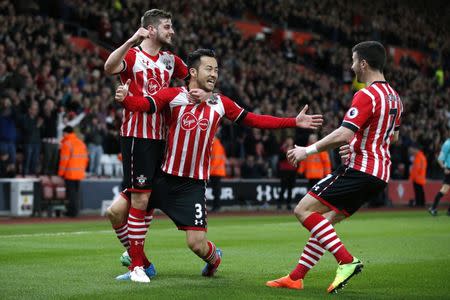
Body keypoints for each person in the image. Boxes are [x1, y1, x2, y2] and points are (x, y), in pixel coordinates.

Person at [116, 48, 323, 283]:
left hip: (191, 186)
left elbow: (255, 120)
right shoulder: (173, 95)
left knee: (196, 244)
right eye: (209, 68)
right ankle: (138, 265)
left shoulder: (220, 102)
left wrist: (293, 121)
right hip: (163, 177)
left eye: (216, 70)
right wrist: (125, 98)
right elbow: (143, 105)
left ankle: (214, 258)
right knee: (120, 211)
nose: (214, 73)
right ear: (193, 72)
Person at [266, 41, 403, 294]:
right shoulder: (395, 98)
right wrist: (357, 144)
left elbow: (343, 133)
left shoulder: (367, 94)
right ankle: (296, 277)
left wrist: (306, 151)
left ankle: (346, 260)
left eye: (353, 61)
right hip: (380, 174)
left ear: (363, 63)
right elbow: (390, 138)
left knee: (303, 210)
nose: (351, 67)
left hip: (360, 169)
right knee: (325, 222)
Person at [103, 9, 207, 283]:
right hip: (137, 137)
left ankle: (139, 263)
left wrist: (203, 92)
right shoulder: (133, 56)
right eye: (167, 26)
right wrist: (130, 40)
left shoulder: (170, 60)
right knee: (128, 206)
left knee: (137, 202)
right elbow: (109, 67)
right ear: (150, 29)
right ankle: (139, 263)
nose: (172, 31)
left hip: (163, 139)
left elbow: (193, 77)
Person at [58, 126, 88, 217]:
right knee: (76, 193)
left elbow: (64, 160)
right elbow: (86, 159)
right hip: (79, 173)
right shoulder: (81, 143)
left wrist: (60, 173)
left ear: (66, 133)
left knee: (71, 194)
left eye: (63, 133)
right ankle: (75, 211)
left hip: (70, 173)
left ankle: (72, 212)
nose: (62, 135)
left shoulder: (67, 144)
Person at [429, 137, 450, 216]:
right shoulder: (447, 144)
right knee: (444, 189)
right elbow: (440, 159)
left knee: (445, 189)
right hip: (449, 169)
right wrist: (444, 168)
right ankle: (433, 208)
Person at [277, 137, 297, 210]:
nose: (289, 141)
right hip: (284, 171)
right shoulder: (282, 149)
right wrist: (286, 151)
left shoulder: (295, 148)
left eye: (290, 140)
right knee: (283, 188)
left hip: (292, 171)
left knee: (290, 188)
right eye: (288, 140)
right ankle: (279, 203)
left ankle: (288, 204)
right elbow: (280, 158)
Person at [209, 133, 227, 212]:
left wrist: (209, 171)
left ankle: (216, 206)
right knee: (216, 190)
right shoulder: (218, 144)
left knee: (215, 190)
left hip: (215, 171)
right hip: (218, 171)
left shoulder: (215, 144)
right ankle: (216, 206)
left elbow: (215, 160)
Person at [408, 143, 427, 207]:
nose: (412, 152)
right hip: (421, 177)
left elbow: (416, 168)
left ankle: (419, 204)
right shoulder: (422, 156)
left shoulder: (419, 157)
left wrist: (412, 177)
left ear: (416, 150)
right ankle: (422, 203)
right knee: (420, 191)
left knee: (418, 191)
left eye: (413, 150)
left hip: (417, 178)